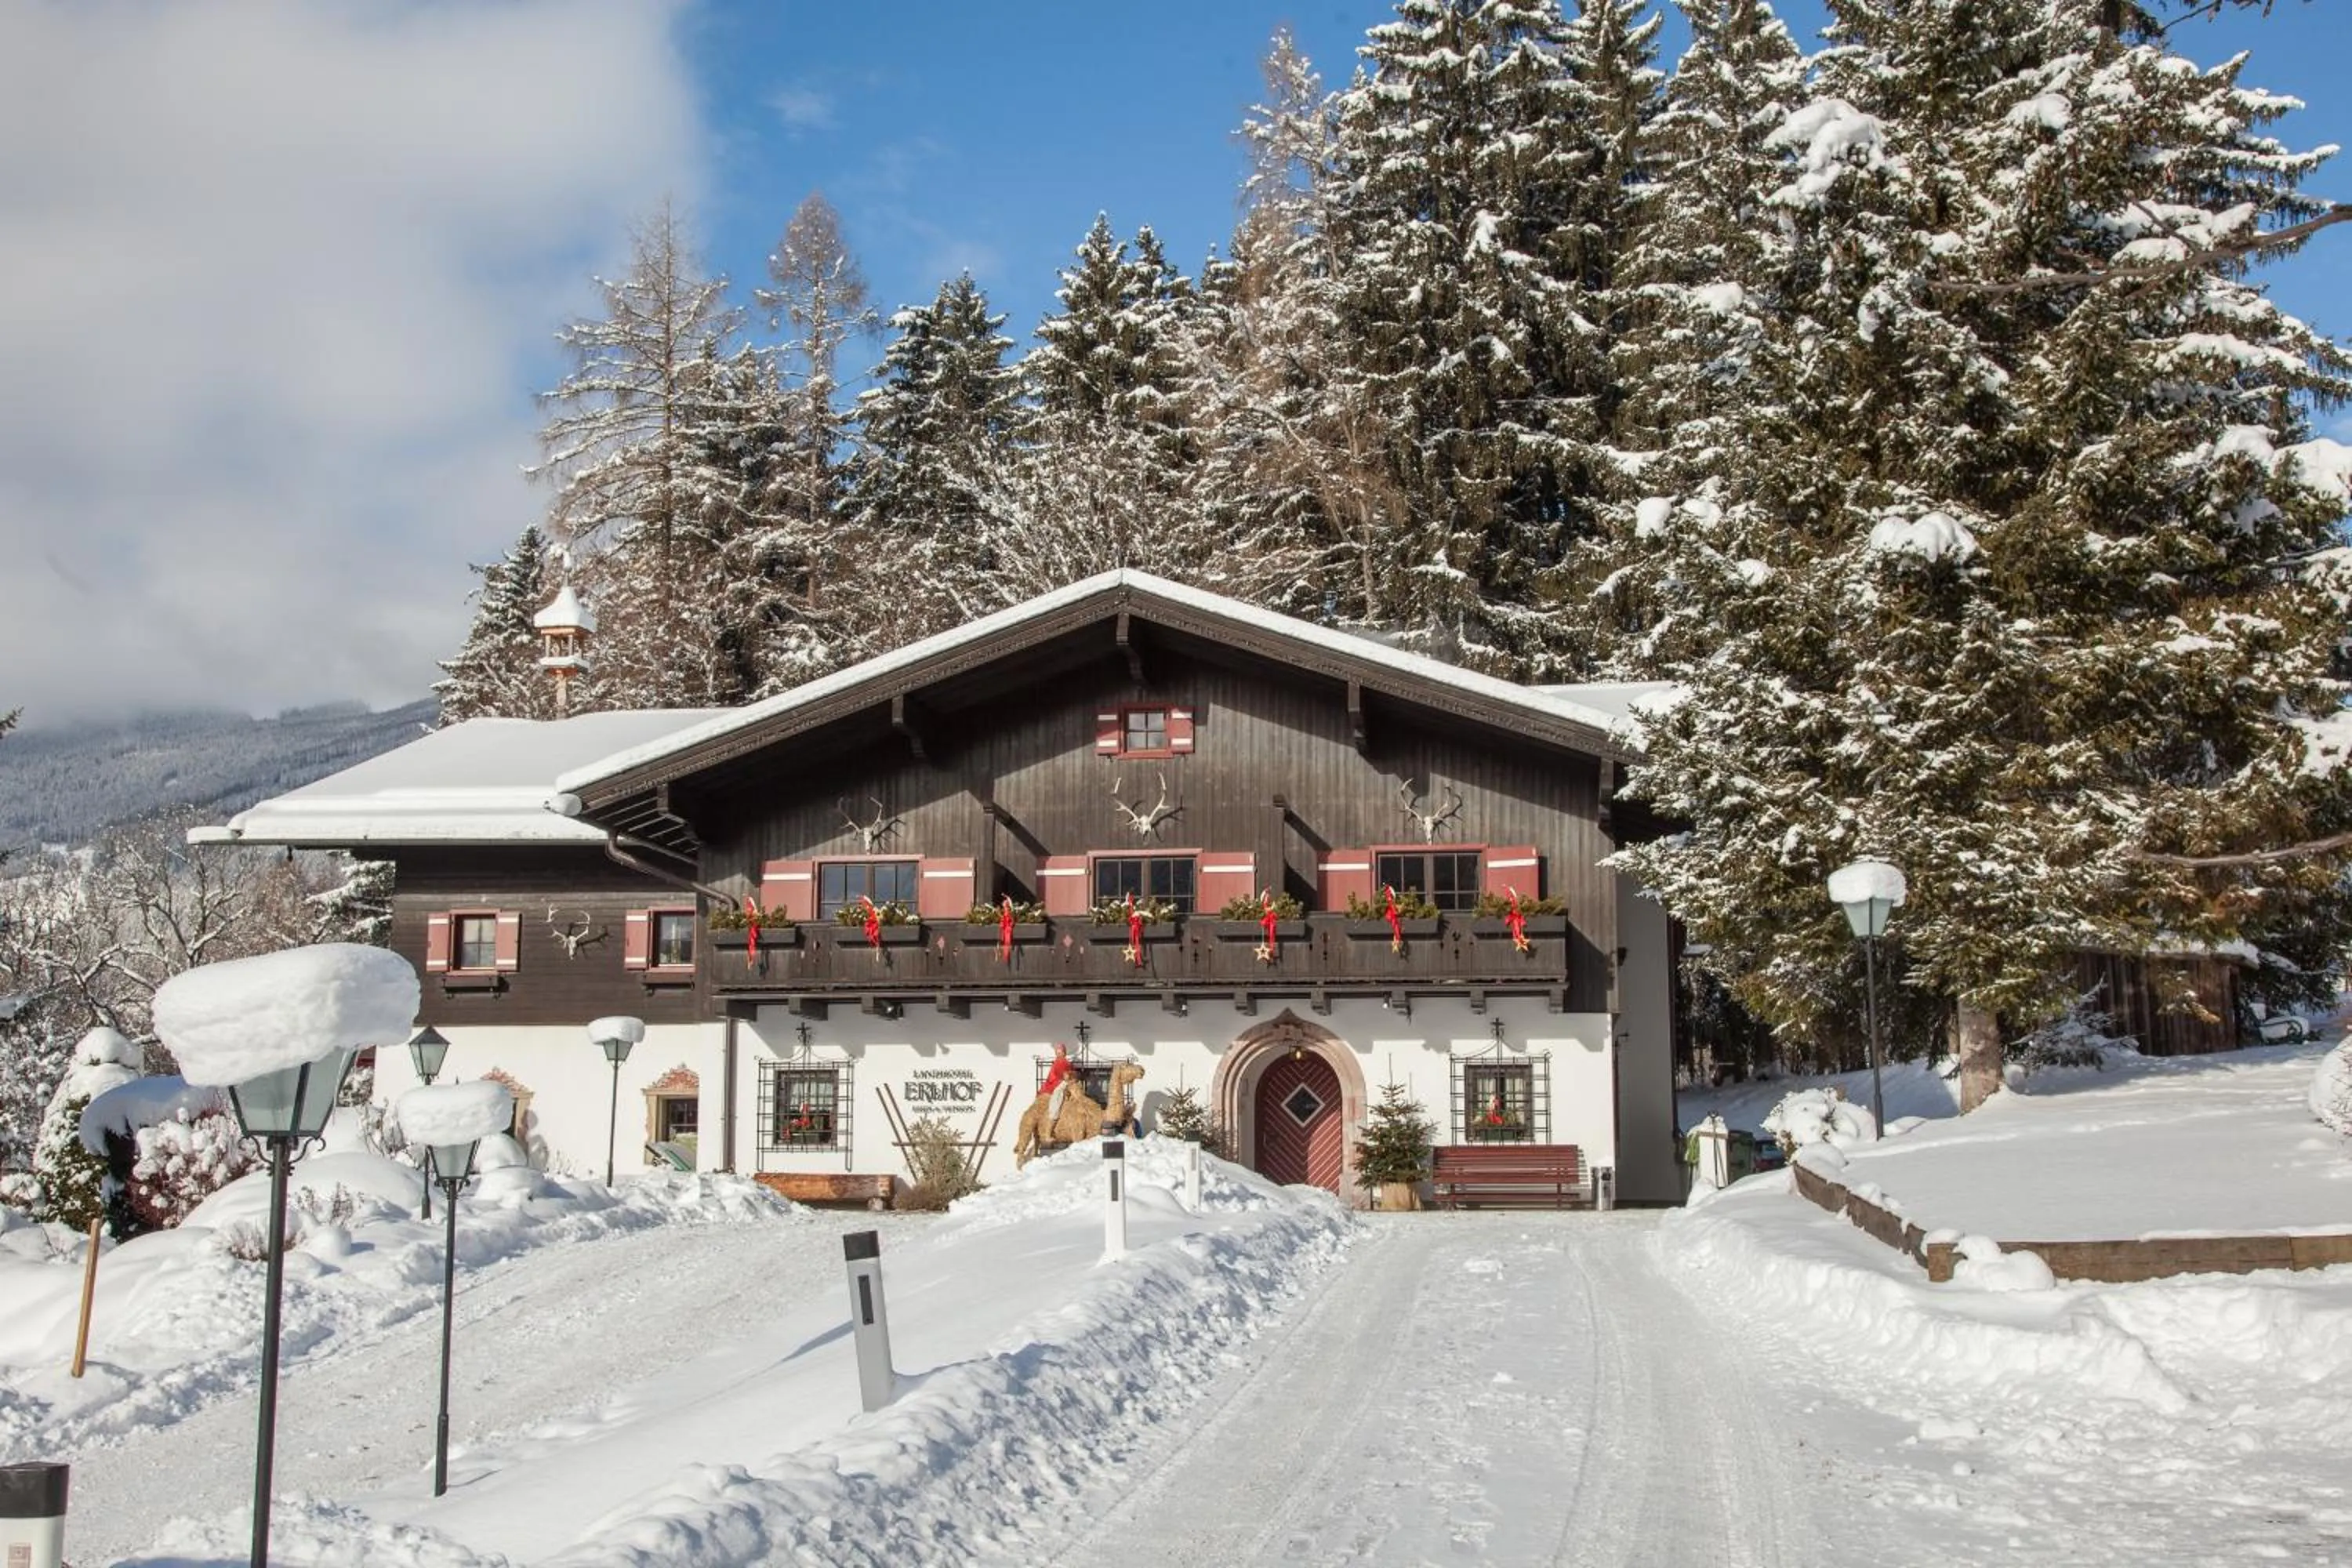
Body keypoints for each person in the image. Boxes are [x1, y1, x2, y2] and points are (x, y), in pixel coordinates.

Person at [1042, 1041, 1074, 1127]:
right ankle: (1053, 1117)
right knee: (1057, 1097)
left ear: (1064, 1053)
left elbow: (1068, 1073)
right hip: (1056, 1083)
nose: (1059, 1054)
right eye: (1057, 1052)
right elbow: (1058, 1074)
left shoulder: (1064, 1062)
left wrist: (1069, 1076)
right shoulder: (1058, 1062)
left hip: (1064, 1081)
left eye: (1060, 1052)